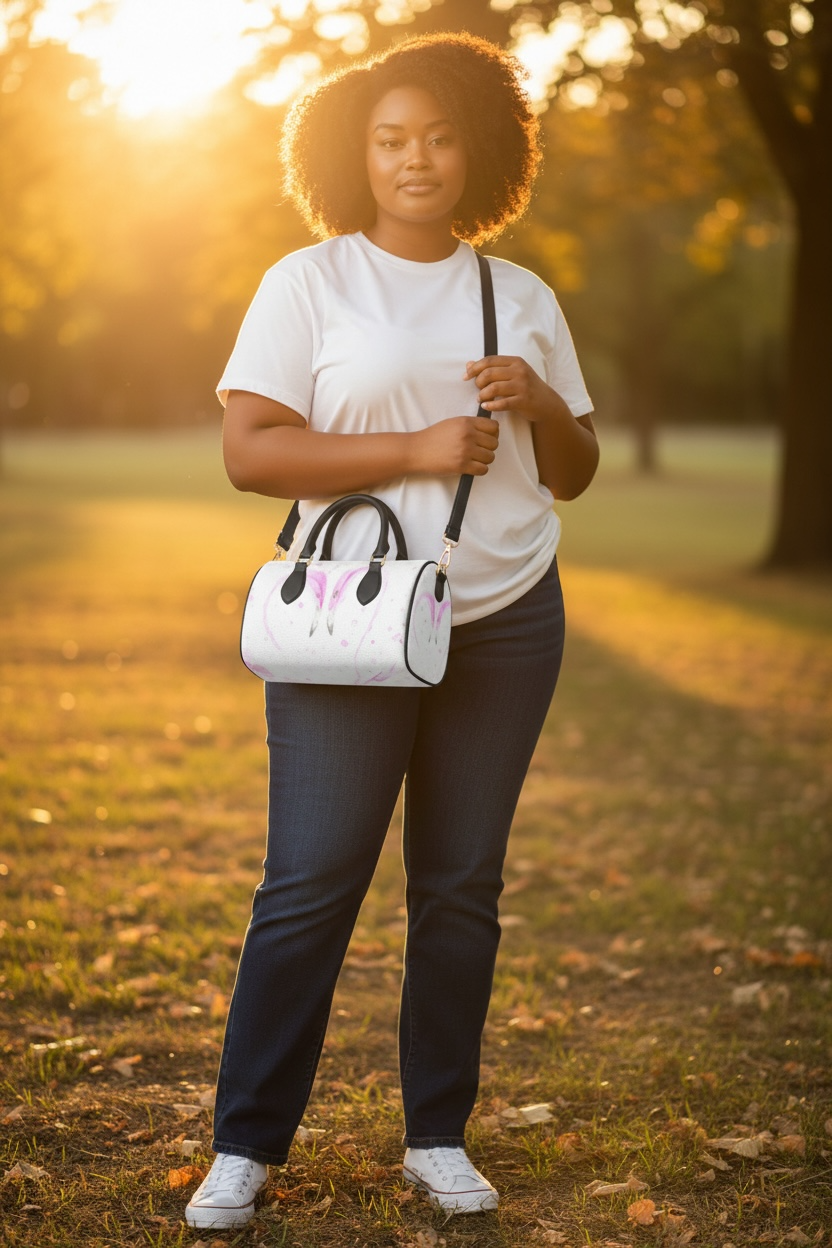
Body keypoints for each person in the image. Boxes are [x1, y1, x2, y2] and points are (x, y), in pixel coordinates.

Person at [185, 31, 598, 1230]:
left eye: (436, 136)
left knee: (461, 887)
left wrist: (536, 406)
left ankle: (437, 1135)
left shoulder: (520, 296)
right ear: (351, 156)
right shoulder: (306, 282)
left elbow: (571, 470)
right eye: (388, 140)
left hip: (505, 616)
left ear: (478, 149)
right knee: (311, 881)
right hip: (350, 619)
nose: (415, 158)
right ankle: (245, 1144)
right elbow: (250, 450)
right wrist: (413, 449)